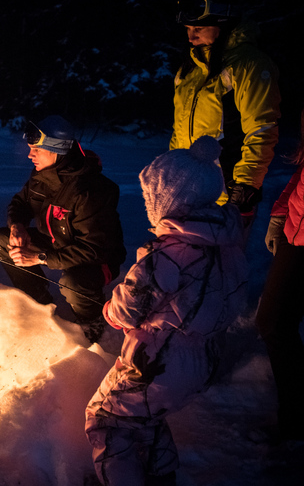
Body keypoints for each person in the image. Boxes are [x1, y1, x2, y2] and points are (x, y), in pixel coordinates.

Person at [85, 136, 249, 486]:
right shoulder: (225, 244)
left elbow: (127, 311)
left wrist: (112, 309)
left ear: (170, 200)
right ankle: (162, 478)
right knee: (144, 418)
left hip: (158, 363)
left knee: (105, 419)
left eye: (151, 197)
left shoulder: (167, 253)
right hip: (202, 358)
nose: (148, 204)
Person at [0, 115, 126, 343]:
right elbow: (20, 203)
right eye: (29, 148)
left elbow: (93, 249)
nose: (29, 155)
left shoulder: (89, 191)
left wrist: (41, 257)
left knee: (73, 283)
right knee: (3, 240)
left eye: (36, 149)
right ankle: (39, 300)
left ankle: (91, 320)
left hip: (97, 259)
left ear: (56, 150)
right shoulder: (42, 174)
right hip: (55, 242)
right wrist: (17, 226)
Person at [171, 0, 281, 235]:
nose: (191, 36)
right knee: (185, 267)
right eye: (188, 29)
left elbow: (262, 128)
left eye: (199, 28)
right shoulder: (189, 71)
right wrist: (172, 171)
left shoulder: (248, 65)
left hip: (228, 192)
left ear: (222, 23)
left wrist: (246, 185)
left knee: (224, 269)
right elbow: (178, 131)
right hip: (188, 191)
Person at [255, 109, 304, 444]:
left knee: (275, 323)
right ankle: (295, 416)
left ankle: (296, 422)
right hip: (294, 234)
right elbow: (300, 176)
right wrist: (280, 213)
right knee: (273, 323)